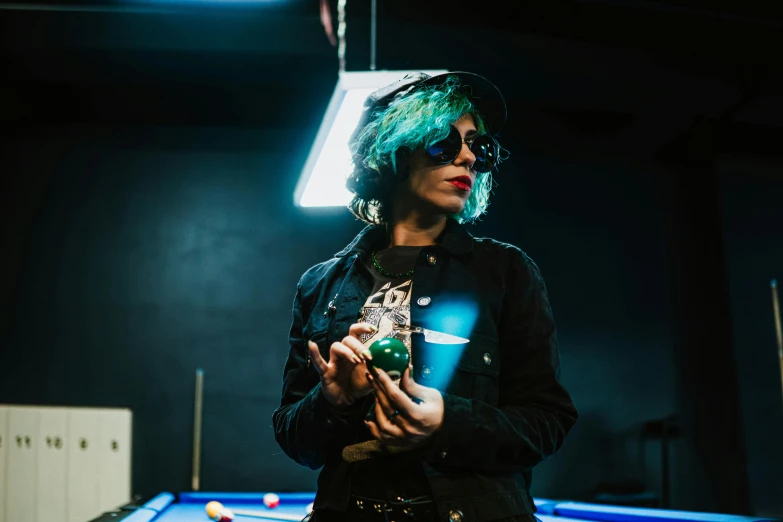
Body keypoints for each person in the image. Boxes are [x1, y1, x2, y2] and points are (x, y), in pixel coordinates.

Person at [273, 71, 578, 522]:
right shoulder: (321, 284)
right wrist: (331, 400)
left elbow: (547, 421)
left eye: (478, 146)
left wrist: (445, 422)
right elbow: (294, 437)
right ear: (391, 152)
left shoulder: (507, 271)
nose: (469, 158)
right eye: (445, 143)